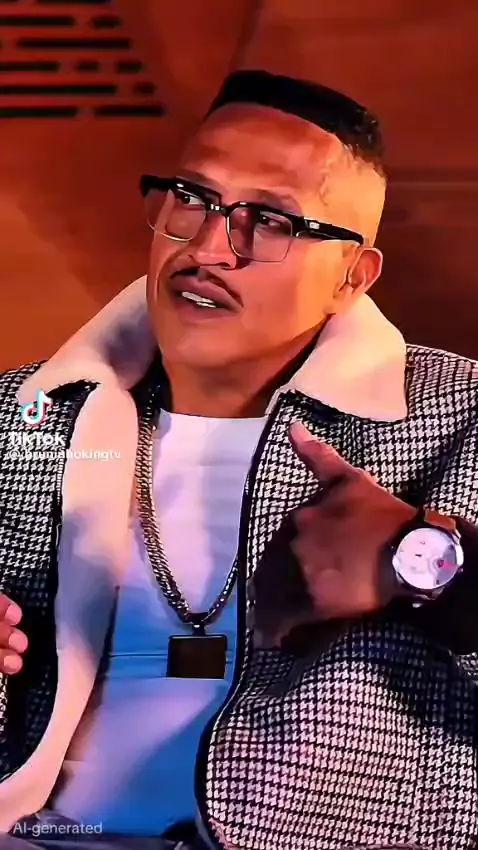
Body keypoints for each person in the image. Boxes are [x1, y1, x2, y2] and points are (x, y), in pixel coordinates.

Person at [0, 69, 476, 850]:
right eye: (193, 198)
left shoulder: (458, 418)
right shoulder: (25, 417)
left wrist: (426, 565)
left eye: (271, 220)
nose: (208, 247)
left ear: (352, 278)